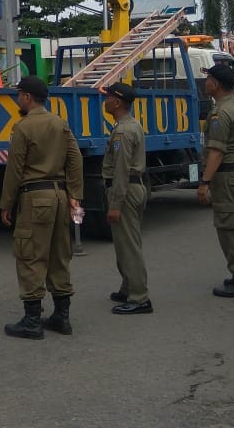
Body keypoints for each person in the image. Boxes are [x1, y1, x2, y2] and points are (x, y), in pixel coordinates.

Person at [0, 76, 84, 339]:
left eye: (18, 95)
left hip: (35, 198)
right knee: (60, 254)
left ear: (26, 97)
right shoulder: (60, 123)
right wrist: (75, 195)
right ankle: (61, 317)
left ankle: (32, 320)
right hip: (60, 196)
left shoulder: (23, 127)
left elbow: (14, 169)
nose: (17, 100)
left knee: (31, 256)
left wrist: (6, 204)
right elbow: (75, 159)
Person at [197, 63, 234, 297]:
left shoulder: (220, 112)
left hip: (228, 175)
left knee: (229, 226)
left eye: (208, 79)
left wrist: (205, 182)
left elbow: (217, 151)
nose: (205, 83)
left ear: (217, 84)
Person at [101, 82, 151, 315]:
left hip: (126, 190)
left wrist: (115, 204)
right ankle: (128, 287)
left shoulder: (123, 131)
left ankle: (139, 297)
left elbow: (121, 169)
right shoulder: (129, 125)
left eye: (108, 97)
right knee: (125, 243)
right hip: (133, 188)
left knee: (129, 246)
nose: (105, 100)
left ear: (117, 102)